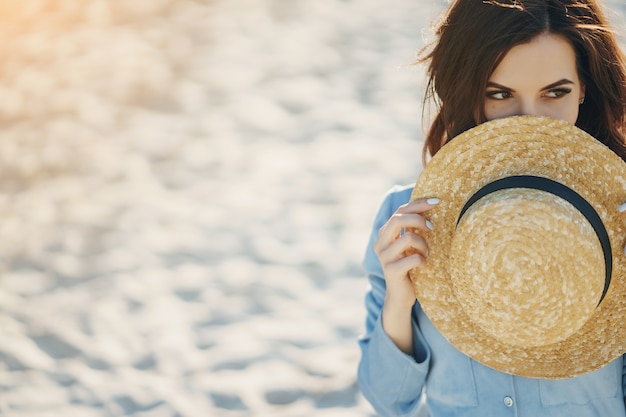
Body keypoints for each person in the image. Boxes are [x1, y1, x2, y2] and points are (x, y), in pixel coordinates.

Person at [357, 1, 626, 416]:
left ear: (585, 88)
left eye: (556, 92)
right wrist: (400, 302)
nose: (529, 121)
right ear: (465, 89)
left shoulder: (622, 217)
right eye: (499, 94)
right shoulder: (406, 217)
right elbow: (389, 401)